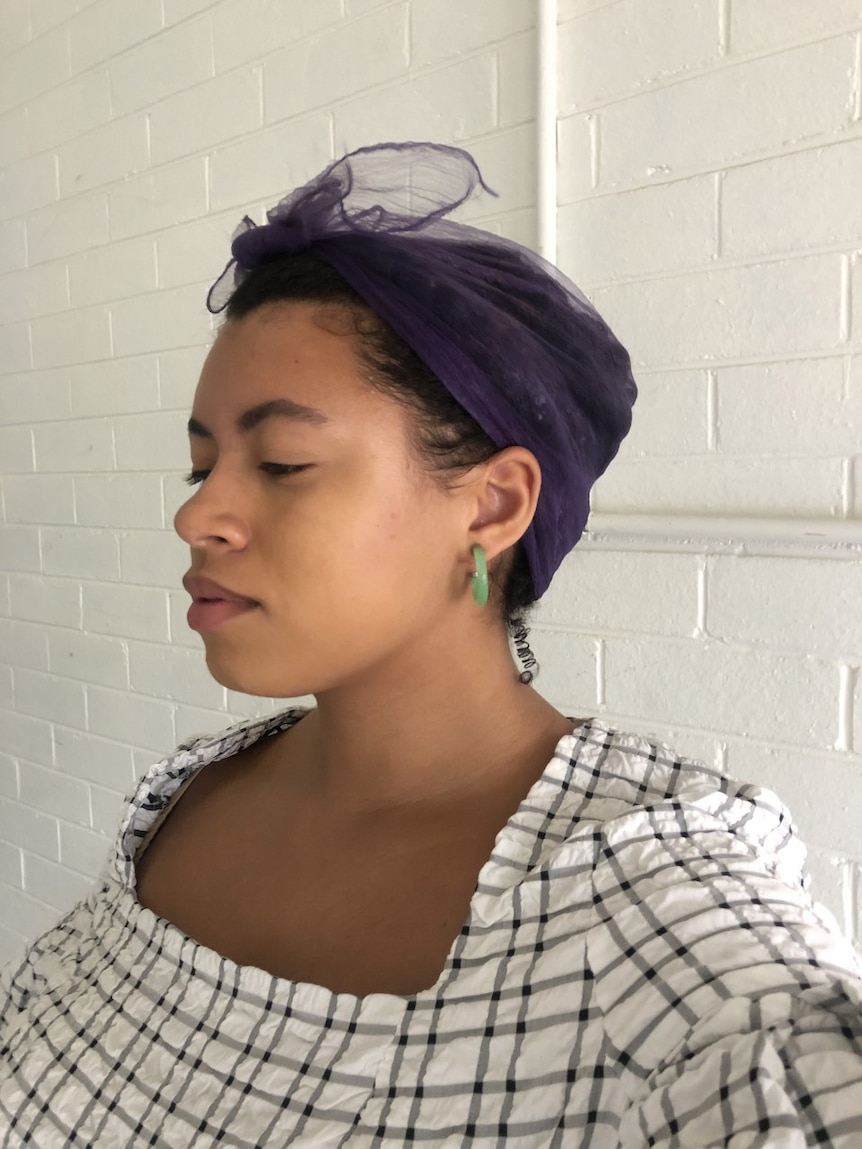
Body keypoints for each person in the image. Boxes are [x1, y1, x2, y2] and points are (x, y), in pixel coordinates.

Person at [1, 141, 861, 1147]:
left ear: (491, 505)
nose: (200, 519)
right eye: (202, 466)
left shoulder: (641, 894)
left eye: (281, 463)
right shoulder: (184, 793)